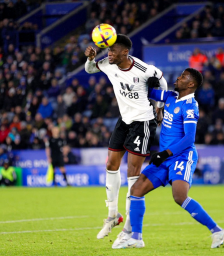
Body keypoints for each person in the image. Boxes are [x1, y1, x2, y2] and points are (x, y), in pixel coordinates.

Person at [113, 68, 224, 249]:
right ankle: (136, 237)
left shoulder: (190, 106)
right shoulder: (170, 96)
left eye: (183, 77)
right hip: (165, 157)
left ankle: (217, 231)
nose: (178, 78)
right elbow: (148, 92)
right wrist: (143, 78)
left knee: (179, 196)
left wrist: (165, 153)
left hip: (182, 156)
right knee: (136, 190)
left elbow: (189, 138)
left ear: (191, 84)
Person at [84, 34, 167, 245]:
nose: (108, 53)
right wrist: (91, 59)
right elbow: (90, 69)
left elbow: (163, 81)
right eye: (108, 50)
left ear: (125, 53)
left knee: (133, 172)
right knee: (111, 164)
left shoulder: (143, 69)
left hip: (143, 123)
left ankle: (130, 228)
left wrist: (160, 108)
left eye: (112, 51)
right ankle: (113, 215)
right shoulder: (108, 64)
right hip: (124, 120)